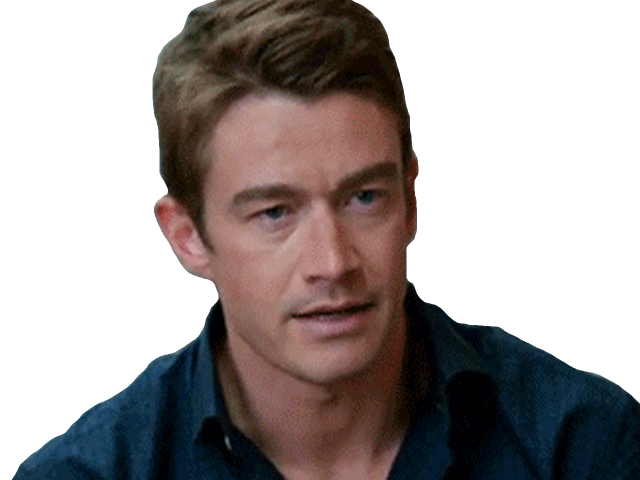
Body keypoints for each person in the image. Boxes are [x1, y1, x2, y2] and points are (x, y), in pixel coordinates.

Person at [12, 0, 640, 478]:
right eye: (275, 213)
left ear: (411, 199)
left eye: (364, 198)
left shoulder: (584, 447)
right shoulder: (89, 473)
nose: (333, 262)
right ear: (187, 237)